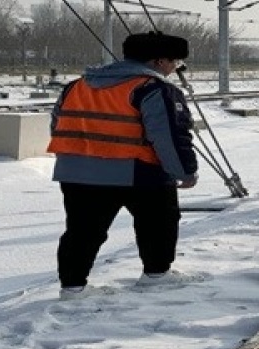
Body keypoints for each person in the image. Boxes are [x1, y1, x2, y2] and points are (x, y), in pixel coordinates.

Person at [47, 31, 199, 298]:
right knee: (158, 223)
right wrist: (184, 172)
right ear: (159, 61)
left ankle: (72, 288)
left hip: (76, 172)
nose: (175, 68)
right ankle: (156, 275)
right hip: (138, 171)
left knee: (82, 231)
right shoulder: (153, 88)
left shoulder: (76, 86)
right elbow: (169, 135)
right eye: (175, 62)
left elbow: (58, 124)